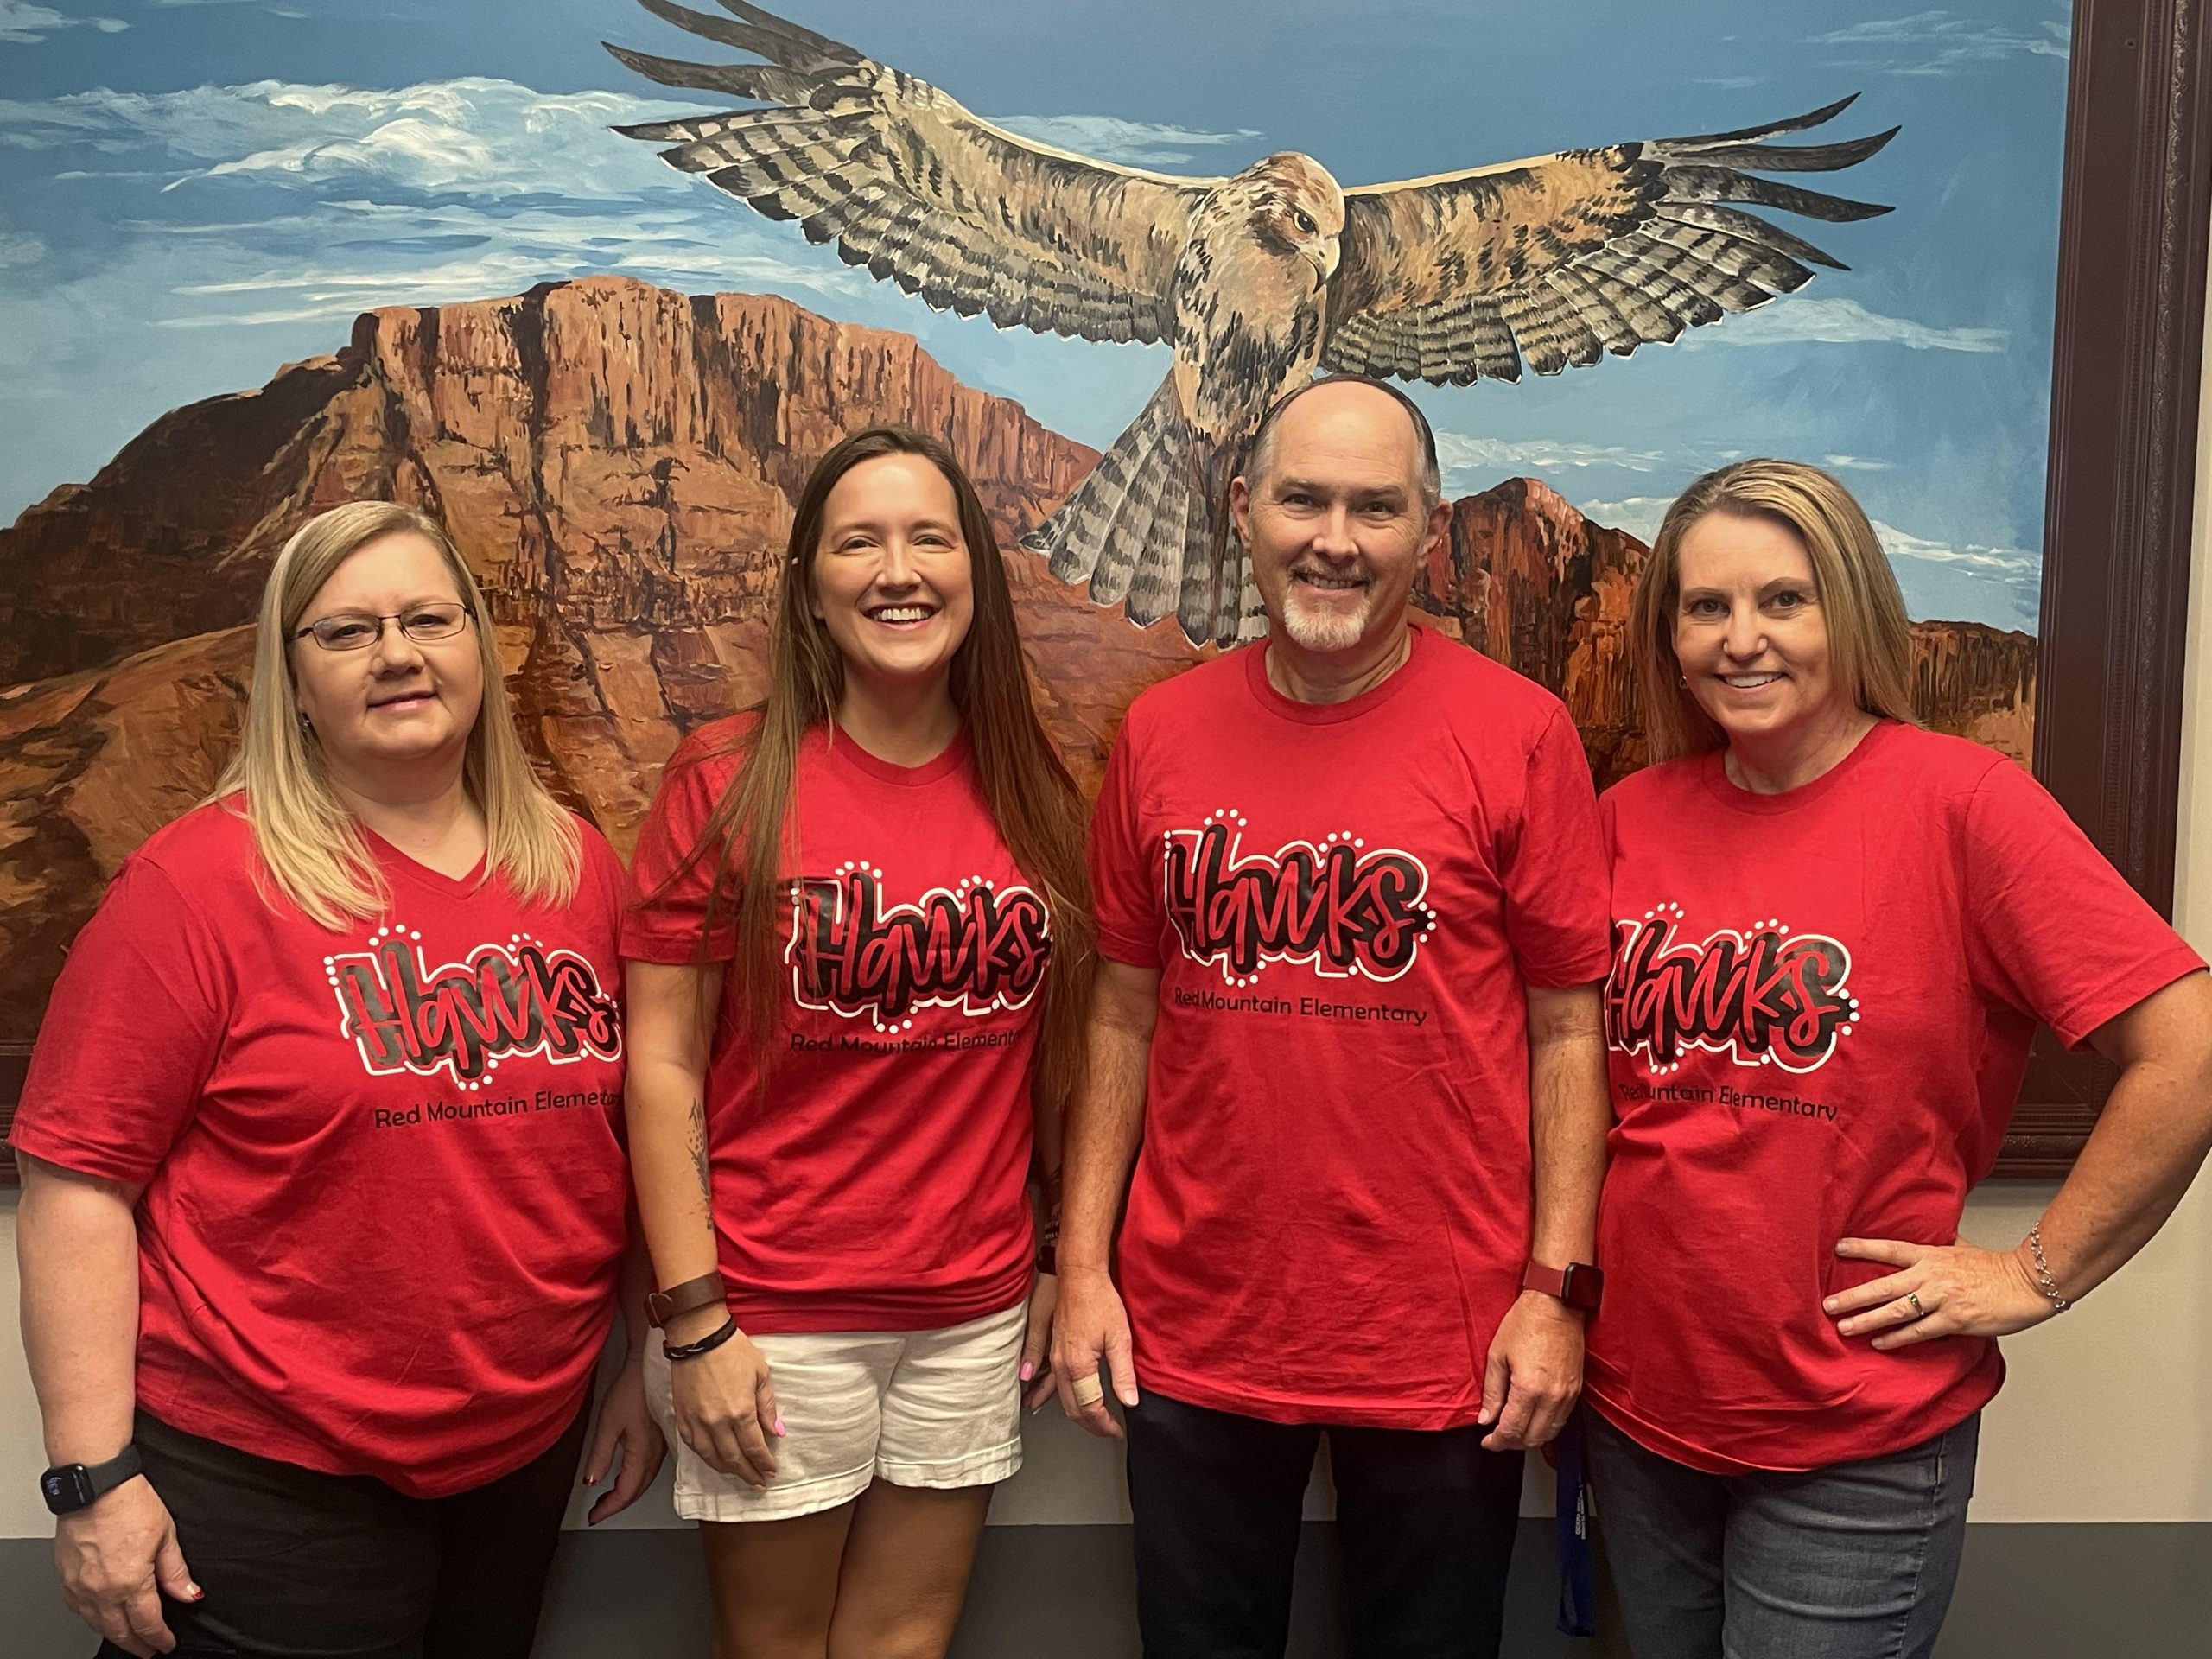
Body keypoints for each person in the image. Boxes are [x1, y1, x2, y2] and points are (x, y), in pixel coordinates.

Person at [10, 501, 662, 1659]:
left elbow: (622, 1139)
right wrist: (93, 1477)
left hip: (521, 1447)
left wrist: (646, 1355)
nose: (399, 653)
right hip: (269, 1474)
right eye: (346, 631)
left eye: (427, 619)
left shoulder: (575, 866)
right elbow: (74, 1179)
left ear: (478, 648)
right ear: (292, 682)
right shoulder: (197, 885)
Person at [1586, 459, 2212, 1659]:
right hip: (1642, 1418)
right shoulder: (1631, 816)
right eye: (1706, 606)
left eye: (1784, 600)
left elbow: (2183, 1047)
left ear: (1852, 613)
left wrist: (2035, 1273)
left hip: (1857, 1434)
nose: (1741, 639)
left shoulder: (1965, 804)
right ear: (1668, 633)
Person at [1052, 374, 1616, 1658]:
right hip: (1195, 1325)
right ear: (1242, 510)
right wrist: (1082, 1268)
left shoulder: (1521, 734)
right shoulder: (1159, 734)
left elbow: (1569, 1035)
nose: (1334, 539)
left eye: (1376, 507)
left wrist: (1554, 1292)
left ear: (1432, 533)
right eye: (1303, 499)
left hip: (1449, 1334)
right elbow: (1121, 1016)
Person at [620, 425, 1093, 1658]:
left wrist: (1050, 1254)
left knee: (904, 1645)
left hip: (971, 1310)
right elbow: (661, 1060)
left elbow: (1057, 1059)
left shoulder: (1028, 783)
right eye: (860, 541)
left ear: (976, 578)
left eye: (931, 538)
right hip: (776, 1312)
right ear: (810, 584)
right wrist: (695, 1324)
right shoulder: (727, 776)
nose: (900, 570)